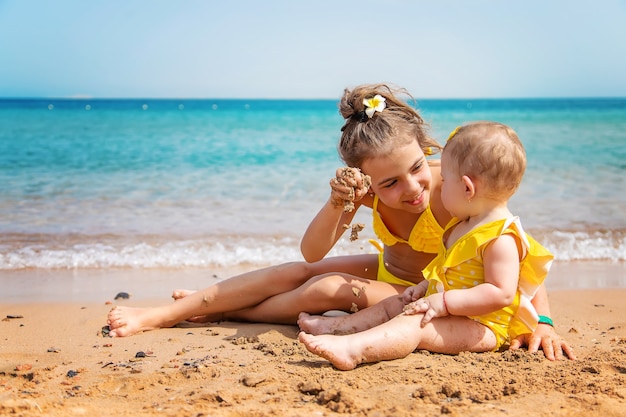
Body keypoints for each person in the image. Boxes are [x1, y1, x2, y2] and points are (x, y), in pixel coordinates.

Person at [106, 84, 573, 360]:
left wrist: (545, 321)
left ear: (425, 151)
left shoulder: (451, 190)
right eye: (388, 183)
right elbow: (312, 251)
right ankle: (171, 312)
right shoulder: (368, 191)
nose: (410, 189)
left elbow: (520, 255)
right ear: (366, 178)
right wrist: (339, 203)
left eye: (414, 168)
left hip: (420, 293)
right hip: (392, 275)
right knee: (303, 271)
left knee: (326, 288)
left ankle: (220, 309)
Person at [297, 121, 558, 370]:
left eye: (445, 179)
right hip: (449, 307)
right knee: (394, 305)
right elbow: (446, 269)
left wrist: (444, 302)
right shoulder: (463, 225)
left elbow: (500, 293)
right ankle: (337, 327)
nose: (438, 185)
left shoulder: (501, 237)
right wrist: (425, 287)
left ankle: (353, 350)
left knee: (415, 325)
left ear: (467, 188)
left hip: (483, 326)